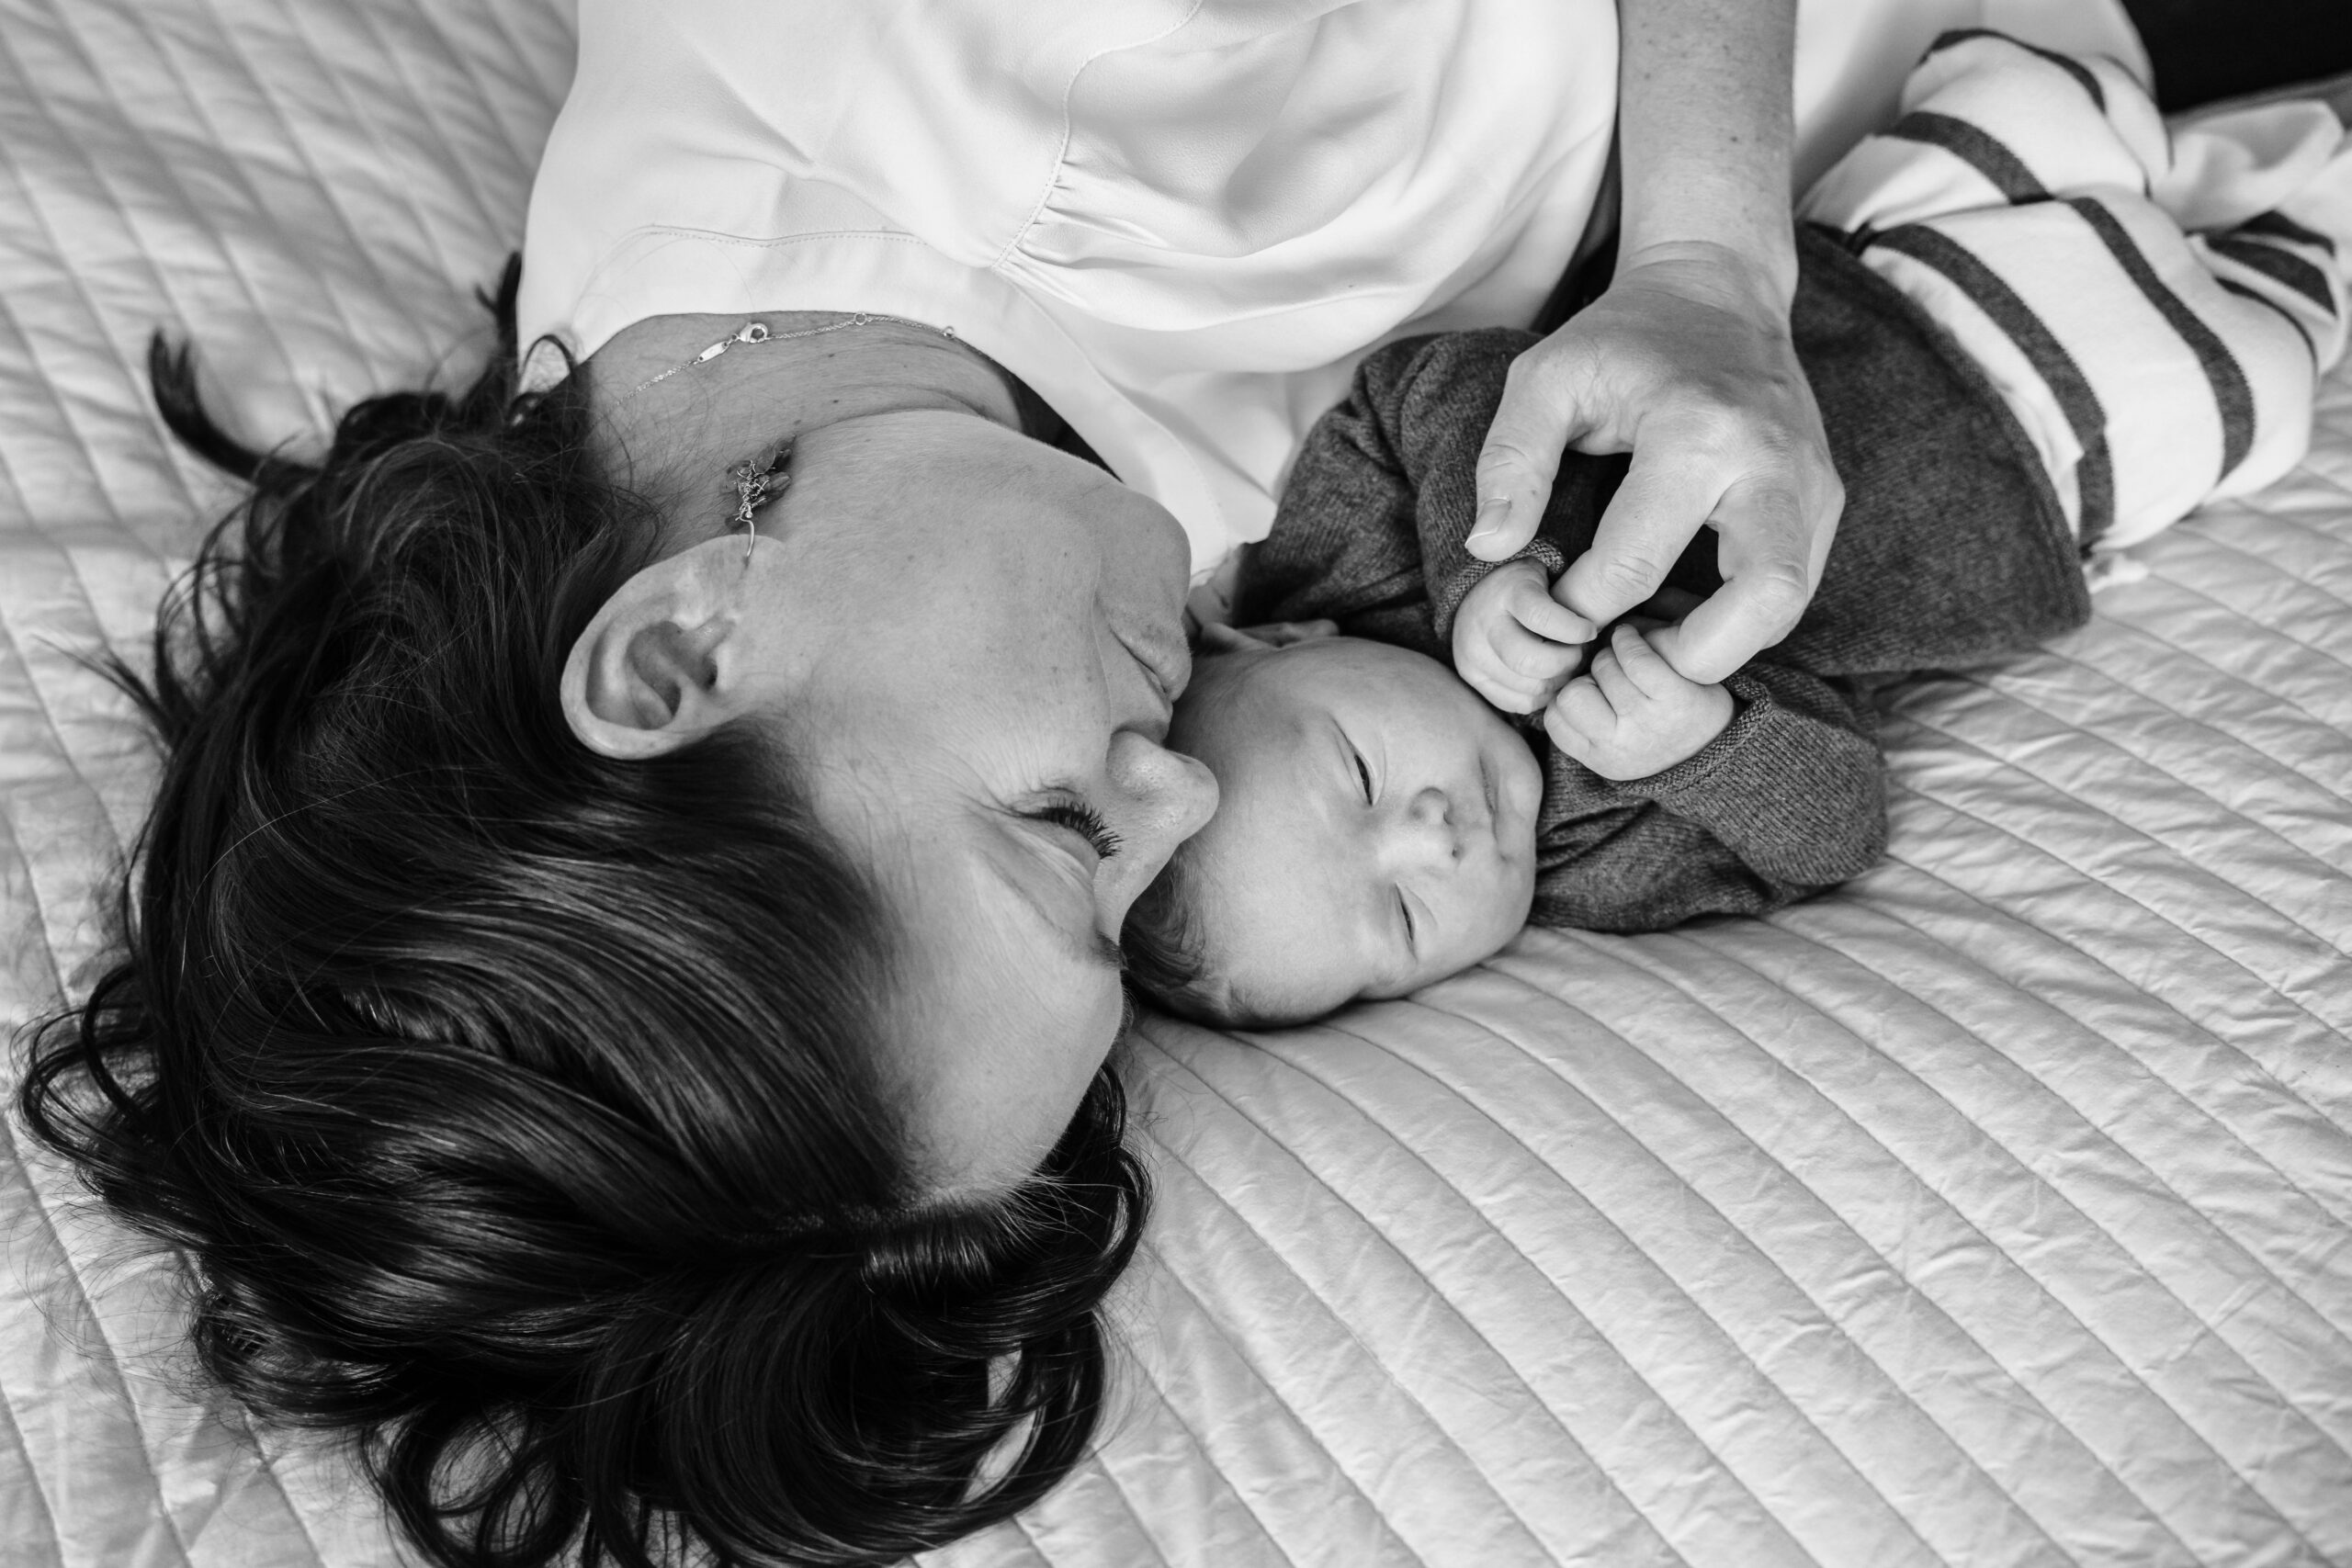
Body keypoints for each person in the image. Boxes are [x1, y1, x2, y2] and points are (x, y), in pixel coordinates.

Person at [15, 3, 2189, 1566]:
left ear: (680, 648)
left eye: (1063, 833)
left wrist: (1709, 258)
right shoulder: (837, 475)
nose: (1182, 816)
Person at [1122, 34, 2352, 1027]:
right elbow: (1835, 828)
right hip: (2042, 471)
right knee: (2258, 380)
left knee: (2037, 90)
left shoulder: (1343, 560)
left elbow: (1426, 388)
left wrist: (1485, 564)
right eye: (1398, 921)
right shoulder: (1598, 866)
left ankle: (2182, 129)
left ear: (1278, 641)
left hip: (1868, 270)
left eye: (1359, 775)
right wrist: (1703, 749)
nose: (1428, 837)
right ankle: (2309, 220)